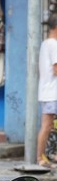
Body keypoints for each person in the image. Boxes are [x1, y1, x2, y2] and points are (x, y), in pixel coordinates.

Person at [37, 12, 57, 168]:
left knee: (49, 125)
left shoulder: (45, 44)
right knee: (47, 125)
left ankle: (48, 155)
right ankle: (40, 158)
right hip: (52, 92)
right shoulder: (54, 44)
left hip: (47, 90)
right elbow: (56, 69)